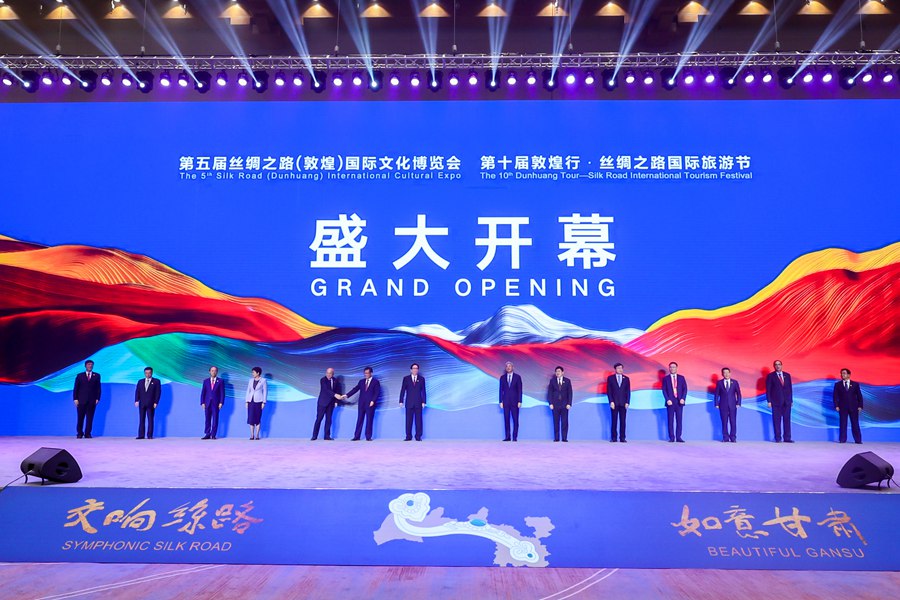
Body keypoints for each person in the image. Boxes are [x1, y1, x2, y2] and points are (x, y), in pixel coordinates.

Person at [343, 366, 381, 441]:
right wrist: (347, 395)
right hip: (361, 404)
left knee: (369, 420)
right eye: (365, 373)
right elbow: (355, 389)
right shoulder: (361, 381)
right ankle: (356, 436)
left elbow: (377, 392)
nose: (366, 374)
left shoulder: (375, 382)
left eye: (367, 373)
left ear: (371, 373)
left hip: (370, 404)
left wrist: (373, 401)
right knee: (359, 419)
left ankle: (368, 437)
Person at [765, 360, 794, 443]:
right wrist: (769, 401)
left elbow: (790, 389)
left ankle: (787, 438)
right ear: (774, 366)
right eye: (776, 364)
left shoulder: (787, 375)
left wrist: (791, 400)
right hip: (776, 402)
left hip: (787, 402)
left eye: (779, 364)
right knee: (777, 421)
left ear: (782, 365)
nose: (778, 366)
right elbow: (768, 389)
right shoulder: (770, 376)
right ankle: (778, 438)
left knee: (787, 420)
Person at [833, 368, 864, 444]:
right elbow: (835, 396)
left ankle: (858, 440)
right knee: (843, 424)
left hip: (854, 407)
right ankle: (842, 440)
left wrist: (860, 406)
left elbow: (859, 396)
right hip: (842, 407)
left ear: (849, 375)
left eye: (844, 373)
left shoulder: (855, 384)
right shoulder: (838, 384)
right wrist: (836, 405)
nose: (842, 375)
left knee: (855, 423)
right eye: (841, 373)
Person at [73, 359, 101, 439]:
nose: (90, 366)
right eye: (89, 364)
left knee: (90, 418)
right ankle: (79, 433)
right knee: (80, 417)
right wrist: (75, 398)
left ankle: (88, 433)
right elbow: (76, 388)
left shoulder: (97, 375)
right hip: (81, 400)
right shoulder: (80, 376)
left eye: (91, 364)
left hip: (92, 400)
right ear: (85, 366)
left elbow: (98, 388)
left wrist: (97, 398)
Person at [312, 367, 342, 440]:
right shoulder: (323, 380)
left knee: (328, 420)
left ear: (333, 374)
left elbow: (338, 391)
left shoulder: (335, 381)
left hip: (330, 404)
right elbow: (326, 390)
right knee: (319, 419)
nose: (328, 374)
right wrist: (335, 395)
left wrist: (336, 401)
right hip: (322, 403)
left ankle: (327, 436)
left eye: (330, 373)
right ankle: (314, 436)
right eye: (327, 373)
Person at [398, 363, 426, 441]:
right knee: (408, 420)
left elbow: (423, 391)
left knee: (419, 421)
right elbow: (402, 390)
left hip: (418, 402)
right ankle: (408, 436)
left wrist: (424, 401)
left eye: (416, 368)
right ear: (411, 370)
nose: (415, 370)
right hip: (409, 402)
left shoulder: (421, 379)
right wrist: (401, 400)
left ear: (418, 370)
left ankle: (418, 436)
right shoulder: (406, 378)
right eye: (413, 368)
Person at [713, 367, 742, 443]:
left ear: (730, 373)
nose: (726, 374)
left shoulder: (735, 382)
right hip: (723, 405)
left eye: (727, 372)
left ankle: (733, 437)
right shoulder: (719, 383)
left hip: (733, 405)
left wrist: (738, 403)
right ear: (722, 374)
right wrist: (716, 403)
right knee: (724, 422)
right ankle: (725, 437)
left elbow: (738, 393)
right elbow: (716, 394)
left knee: (733, 422)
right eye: (724, 373)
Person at [662, 361, 687, 443]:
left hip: (679, 402)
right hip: (670, 402)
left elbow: (685, 389)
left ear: (676, 368)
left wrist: (683, 398)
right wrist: (667, 399)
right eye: (671, 367)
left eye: (674, 367)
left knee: (679, 420)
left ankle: (679, 437)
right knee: (670, 420)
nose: (672, 368)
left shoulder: (681, 378)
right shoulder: (666, 378)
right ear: (669, 368)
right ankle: (672, 437)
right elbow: (664, 390)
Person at [606, 363, 631, 443]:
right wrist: (611, 401)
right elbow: (609, 391)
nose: (620, 369)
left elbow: (628, 391)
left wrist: (627, 402)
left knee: (623, 421)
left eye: (621, 368)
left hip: (623, 403)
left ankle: (622, 438)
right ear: (615, 369)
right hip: (614, 403)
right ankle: (614, 438)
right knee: (614, 421)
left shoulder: (626, 379)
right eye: (619, 368)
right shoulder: (610, 378)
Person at [134, 367, 161, 439]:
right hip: (142, 403)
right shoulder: (140, 381)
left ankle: (149, 435)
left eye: (149, 373)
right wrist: (136, 400)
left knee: (150, 420)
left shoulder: (156, 381)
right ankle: (141, 435)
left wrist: (156, 402)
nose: (147, 374)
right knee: (141, 419)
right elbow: (137, 391)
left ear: (152, 373)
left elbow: (158, 393)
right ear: (144, 373)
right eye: (146, 373)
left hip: (151, 404)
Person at [499, 362, 523, 442]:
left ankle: (514, 437)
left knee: (515, 420)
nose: (508, 367)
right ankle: (507, 437)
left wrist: (520, 401)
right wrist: (500, 401)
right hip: (505, 402)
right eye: (507, 366)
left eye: (510, 366)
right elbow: (500, 390)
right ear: (505, 368)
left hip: (515, 402)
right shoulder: (502, 377)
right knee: (506, 419)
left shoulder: (517, 377)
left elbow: (520, 390)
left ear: (513, 367)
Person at [547, 366, 572, 442]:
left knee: (565, 422)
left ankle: (564, 438)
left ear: (562, 372)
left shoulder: (567, 381)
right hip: (555, 405)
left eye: (559, 371)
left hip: (565, 405)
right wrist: (550, 403)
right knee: (556, 421)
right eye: (556, 371)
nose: (557, 373)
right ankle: (556, 438)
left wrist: (569, 403)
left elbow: (570, 393)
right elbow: (550, 393)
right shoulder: (552, 381)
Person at [200, 366, 225, 440]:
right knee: (207, 419)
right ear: (209, 372)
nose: (213, 372)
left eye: (215, 371)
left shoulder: (220, 381)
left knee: (215, 419)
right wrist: (202, 402)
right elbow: (203, 393)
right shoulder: (206, 381)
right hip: (207, 403)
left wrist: (221, 402)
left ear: (217, 372)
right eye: (212, 370)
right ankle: (207, 433)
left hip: (216, 403)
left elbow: (222, 393)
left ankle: (213, 434)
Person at [245, 366, 267, 441]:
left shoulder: (263, 380)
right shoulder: (250, 380)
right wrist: (246, 401)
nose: (252, 373)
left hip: (259, 401)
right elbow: (248, 390)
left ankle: (257, 435)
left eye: (253, 372)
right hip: (251, 401)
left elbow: (265, 391)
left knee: (257, 418)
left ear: (258, 373)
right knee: (251, 418)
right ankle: (252, 435)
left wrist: (264, 402)